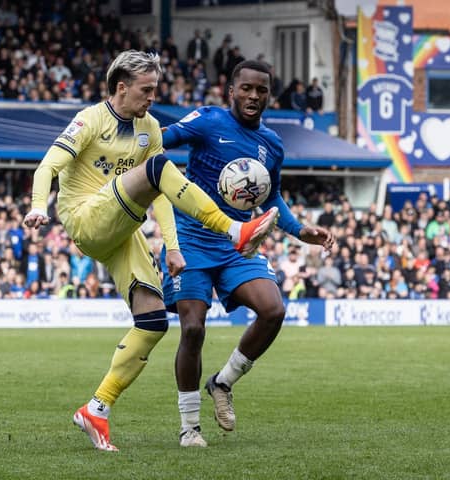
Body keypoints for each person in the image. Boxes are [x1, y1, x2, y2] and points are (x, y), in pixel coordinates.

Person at [23, 50, 279, 452]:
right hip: (86, 217)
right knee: (159, 169)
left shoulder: (150, 127)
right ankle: (234, 230)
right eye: (146, 90)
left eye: (155, 89)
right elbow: (46, 167)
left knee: (153, 322)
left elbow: (160, 191)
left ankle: (97, 408)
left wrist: (173, 247)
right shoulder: (91, 120)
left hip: (122, 227)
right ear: (121, 87)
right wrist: (39, 205)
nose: (152, 97)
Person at [161, 60, 335, 447]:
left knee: (273, 310)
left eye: (261, 90)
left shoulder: (272, 144)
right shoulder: (207, 121)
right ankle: (190, 426)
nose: (254, 96)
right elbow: (160, 140)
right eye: (247, 89)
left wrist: (301, 230)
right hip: (190, 239)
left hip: (238, 242)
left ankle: (222, 383)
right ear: (231, 91)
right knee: (193, 328)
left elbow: (271, 197)